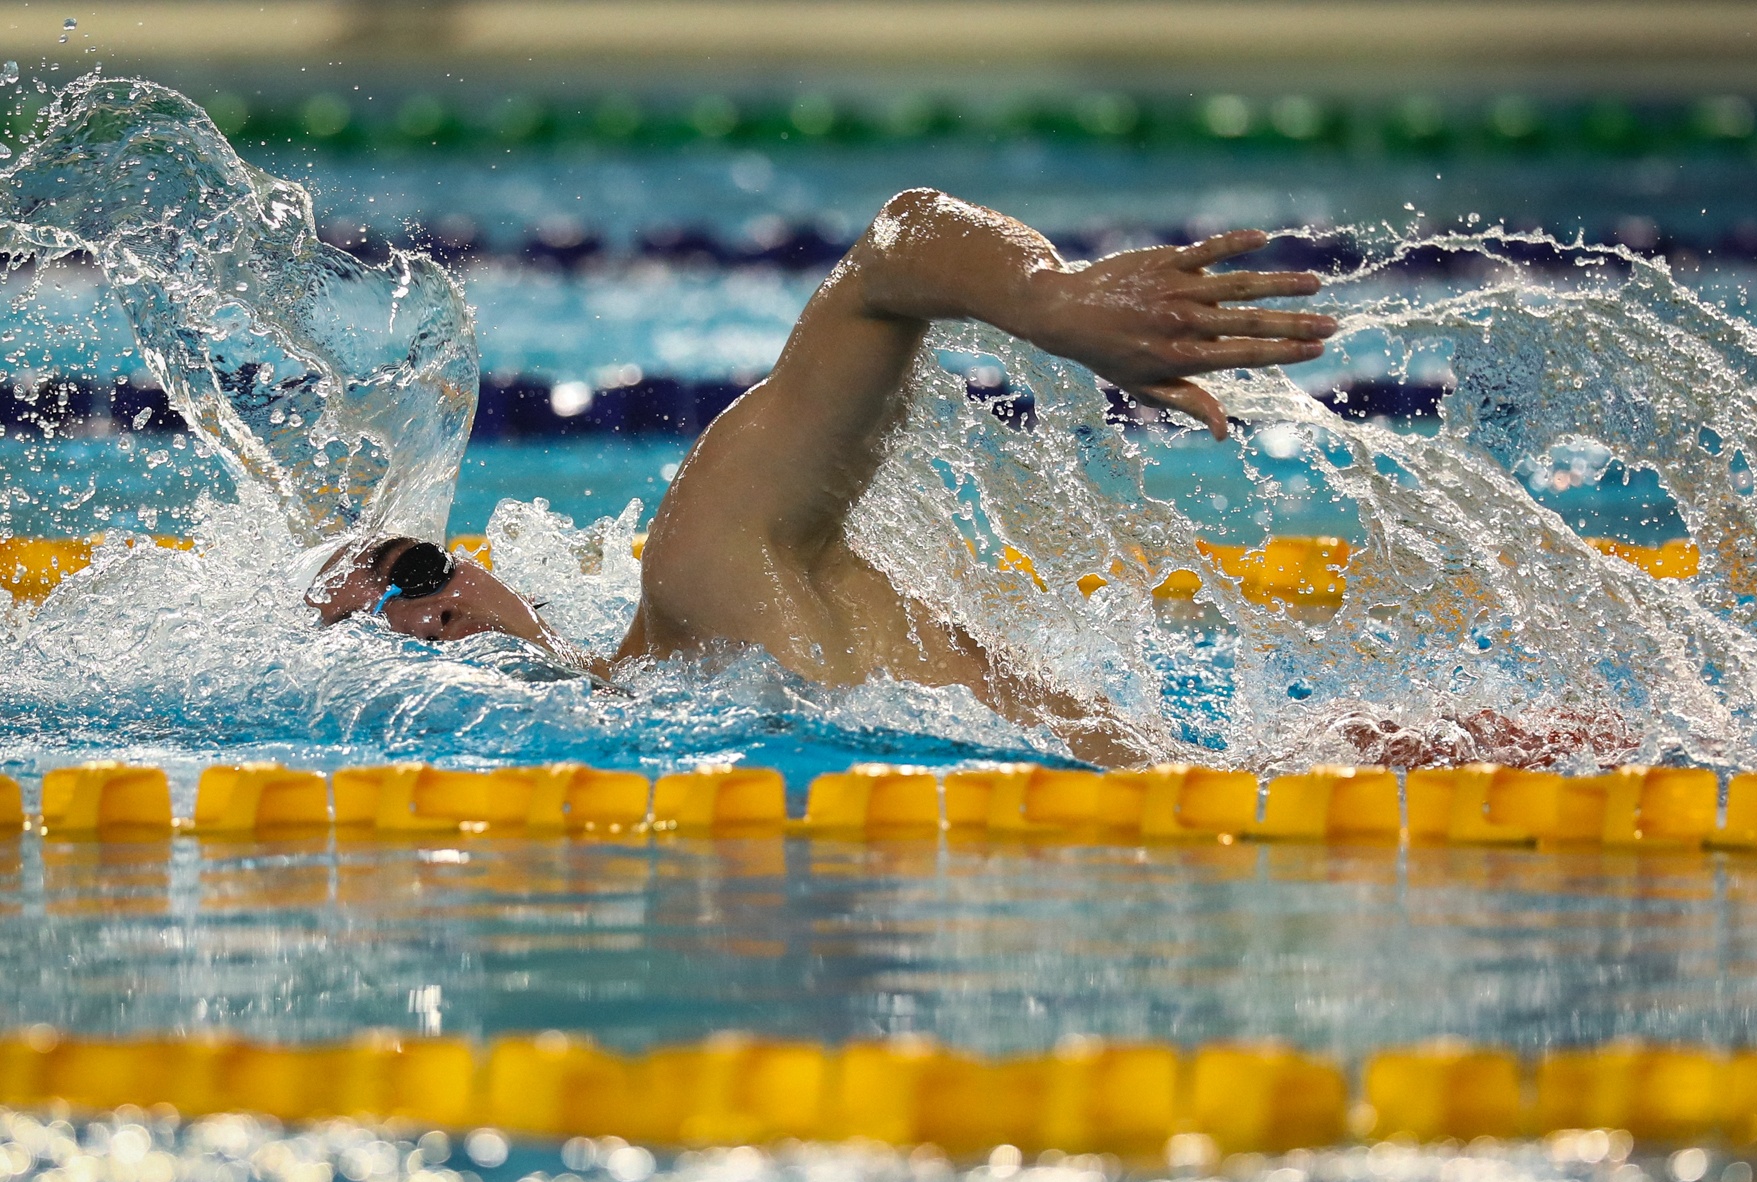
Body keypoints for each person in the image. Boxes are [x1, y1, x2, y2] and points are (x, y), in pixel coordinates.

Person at [310, 189, 1335, 764]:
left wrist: (1048, 297)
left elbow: (893, 252)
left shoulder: (704, 575)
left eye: (416, 567)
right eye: (374, 625)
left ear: (481, 564)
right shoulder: (674, 735)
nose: (427, 613)